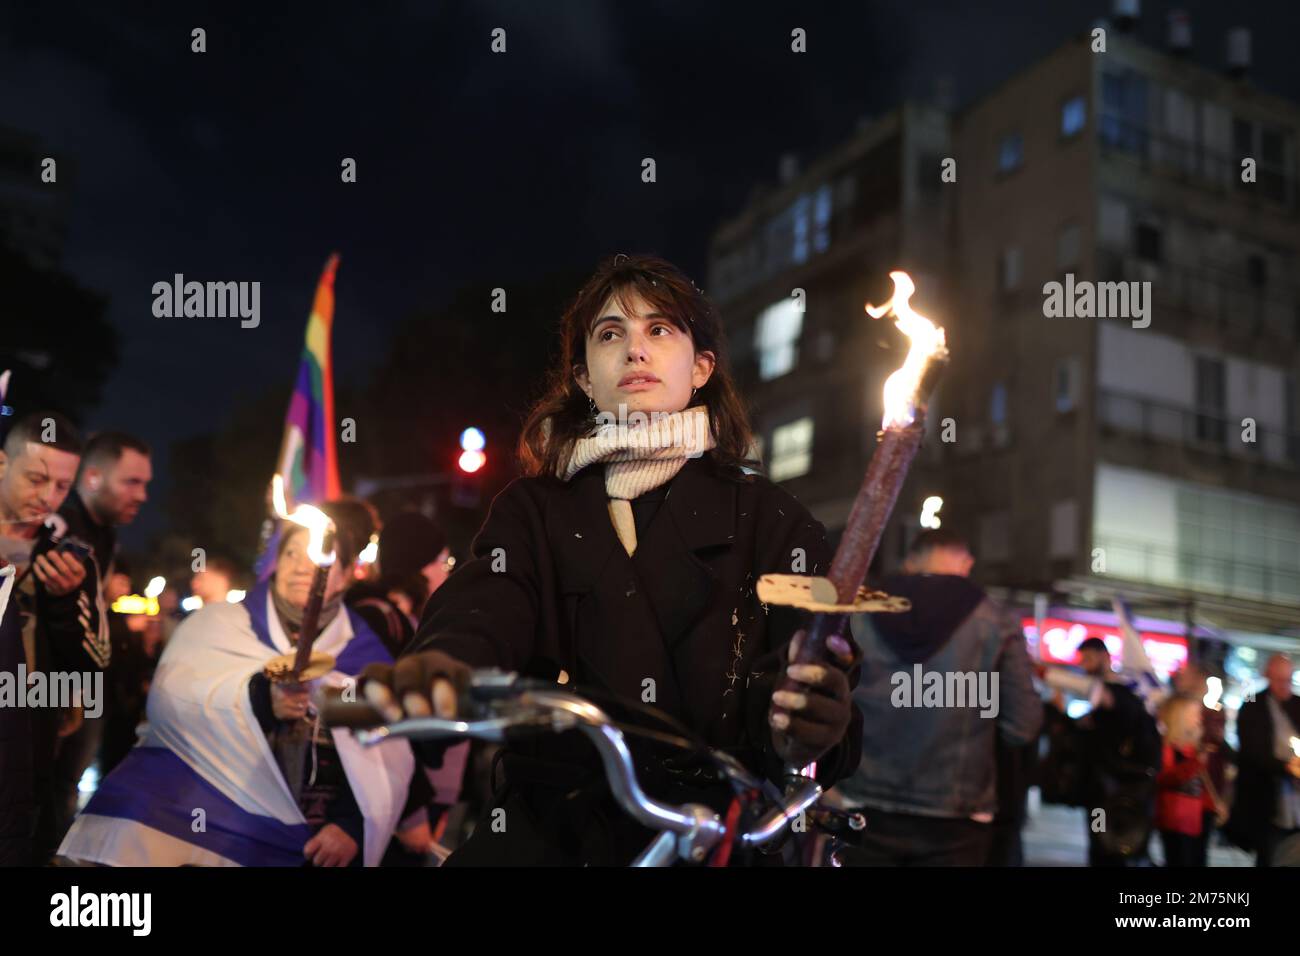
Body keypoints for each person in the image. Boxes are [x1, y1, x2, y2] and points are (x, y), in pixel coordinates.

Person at [360, 253, 862, 866]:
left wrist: (809, 716)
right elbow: (484, 605)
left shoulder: (772, 518)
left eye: (660, 329)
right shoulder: (534, 511)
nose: (636, 350)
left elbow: (807, 669)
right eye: (610, 334)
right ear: (582, 377)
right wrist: (441, 664)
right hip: (554, 830)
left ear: (701, 367)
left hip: (707, 835)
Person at [57, 499, 414, 866]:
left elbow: (385, 754)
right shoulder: (220, 624)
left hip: (314, 843)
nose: (300, 566)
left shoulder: (363, 652)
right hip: (219, 822)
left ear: (342, 573)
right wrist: (259, 698)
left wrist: (351, 825)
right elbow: (174, 701)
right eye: (291, 552)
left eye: (317, 554)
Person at [832, 529, 1042, 866]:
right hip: (957, 816)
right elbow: (1023, 726)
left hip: (863, 801)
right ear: (966, 561)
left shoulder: (859, 608)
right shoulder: (995, 618)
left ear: (911, 560)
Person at [35, 431, 152, 855]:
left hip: (83, 687)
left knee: (64, 791)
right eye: (132, 482)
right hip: (44, 689)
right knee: (42, 792)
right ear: (95, 477)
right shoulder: (60, 526)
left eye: (146, 484)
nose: (142, 495)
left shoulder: (106, 534)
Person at [0, 411, 88, 865]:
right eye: (36, 478)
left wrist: (64, 602)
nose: (47, 497)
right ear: (1, 464)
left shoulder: (67, 557)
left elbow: (93, 663)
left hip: (29, 747)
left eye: (61, 486)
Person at [1054, 636, 1161, 866]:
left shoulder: (1116, 694)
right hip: (1104, 791)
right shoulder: (1112, 699)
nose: (1084, 665)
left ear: (1105, 657)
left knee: (1105, 847)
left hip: (1108, 793)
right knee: (1101, 844)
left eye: (1089, 659)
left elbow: (1106, 702)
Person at [1229, 653, 1300, 866]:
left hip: (1296, 801)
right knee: (1271, 855)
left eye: (1287, 680)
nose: (1283, 686)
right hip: (1267, 799)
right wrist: (1287, 767)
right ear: (1268, 676)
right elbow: (1252, 752)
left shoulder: (1297, 705)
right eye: (1279, 680)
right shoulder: (1253, 706)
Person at [1154, 695, 1225, 866]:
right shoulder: (1169, 748)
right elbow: (1165, 778)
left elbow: (1203, 785)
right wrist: (1195, 763)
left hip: (1197, 818)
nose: (1199, 717)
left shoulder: (1194, 747)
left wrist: (1214, 806)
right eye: (1194, 713)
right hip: (1176, 819)